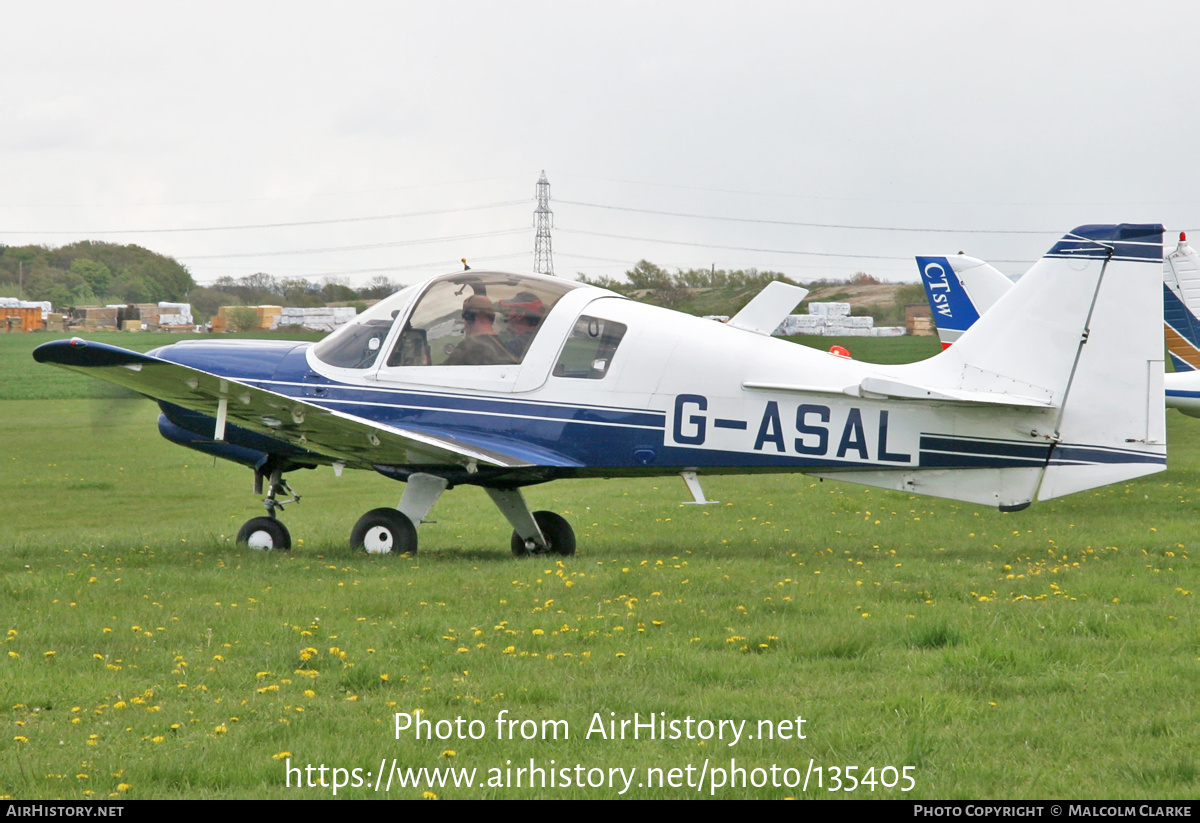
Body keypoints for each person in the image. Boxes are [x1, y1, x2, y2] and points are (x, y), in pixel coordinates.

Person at [444, 294, 517, 366]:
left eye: (464, 316)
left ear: (469, 317)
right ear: (492, 317)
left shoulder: (468, 347)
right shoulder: (504, 342)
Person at [499, 291, 545, 358]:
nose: (507, 314)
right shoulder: (542, 341)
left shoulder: (515, 345)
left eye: (510, 309)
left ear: (520, 315)